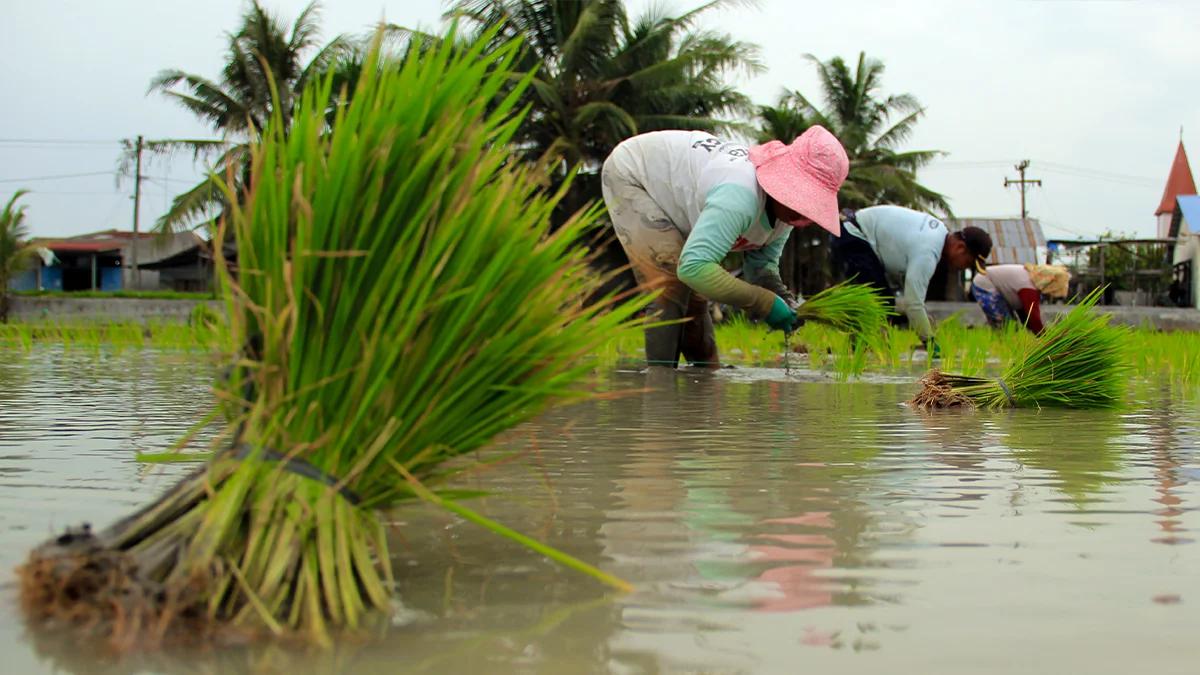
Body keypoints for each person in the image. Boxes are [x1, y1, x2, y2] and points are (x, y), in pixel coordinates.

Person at [601, 127, 849, 367]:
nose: (804, 212)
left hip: (679, 199)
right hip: (635, 175)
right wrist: (763, 302)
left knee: (696, 301)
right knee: (670, 287)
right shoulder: (739, 196)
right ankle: (660, 385)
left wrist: (787, 303)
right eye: (802, 197)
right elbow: (693, 269)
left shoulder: (788, 216)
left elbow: (760, 269)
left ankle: (706, 378)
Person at [831, 205, 993, 354]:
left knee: (881, 300)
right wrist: (930, 342)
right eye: (969, 262)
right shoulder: (928, 253)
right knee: (880, 301)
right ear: (960, 248)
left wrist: (926, 322)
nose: (964, 268)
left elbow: (912, 295)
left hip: (852, 228)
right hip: (854, 233)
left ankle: (862, 349)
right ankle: (865, 350)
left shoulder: (937, 234)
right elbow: (913, 304)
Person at [972, 263, 1070, 335]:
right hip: (984, 283)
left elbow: (1025, 317)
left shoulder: (1032, 281)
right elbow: (1033, 318)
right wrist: (1046, 337)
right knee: (1006, 325)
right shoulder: (1028, 287)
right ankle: (1001, 348)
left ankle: (1001, 345)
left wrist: (1041, 333)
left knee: (1011, 327)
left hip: (991, 283)